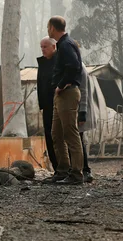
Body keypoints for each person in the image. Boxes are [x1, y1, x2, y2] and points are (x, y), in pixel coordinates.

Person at [47, 16, 84, 184]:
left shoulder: (66, 44)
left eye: (48, 27)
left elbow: (74, 66)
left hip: (67, 93)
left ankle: (76, 174)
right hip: (61, 96)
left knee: (70, 134)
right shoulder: (64, 44)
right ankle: (62, 170)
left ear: (53, 28)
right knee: (57, 133)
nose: (48, 30)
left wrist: (61, 85)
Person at [36, 37, 59, 173]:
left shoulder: (59, 62)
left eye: (45, 47)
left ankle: (66, 168)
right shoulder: (43, 63)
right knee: (49, 136)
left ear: (53, 47)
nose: (43, 49)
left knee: (59, 137)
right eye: (41, 47)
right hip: (47, 106)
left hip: (58, 103)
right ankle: (57, 168)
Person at [77, 60, 95, 183]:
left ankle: (85, 170)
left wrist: (82, 113)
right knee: (78, 140)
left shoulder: (80, 67)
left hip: (78, 110)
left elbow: (83, 91)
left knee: (78, 140)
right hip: (77, 109)